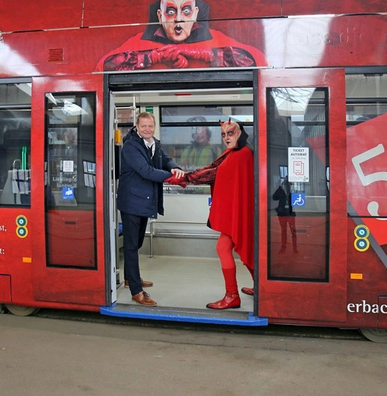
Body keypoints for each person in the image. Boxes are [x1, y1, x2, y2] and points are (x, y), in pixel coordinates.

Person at [166, 119, 254, 309]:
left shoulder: (242, 154)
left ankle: (232, 296)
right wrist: (186, 177)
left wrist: (186, 178)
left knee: (228, 248)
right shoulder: (234, 152)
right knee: (245, 248)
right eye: (223, 134)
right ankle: (259, 288)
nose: (226, 138)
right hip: (238, 211)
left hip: (239, 211)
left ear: (240, 133)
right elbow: (212, 167)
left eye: (230, 133)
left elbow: (213, 173)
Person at [96, 0, 267, 71]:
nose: (179, 19)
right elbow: (104, 67)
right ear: (159, 16)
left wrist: (203, 54)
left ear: (195, 13)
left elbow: (257, 61)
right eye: (171, 11)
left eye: (185, 11)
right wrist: (154, 57)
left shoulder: (216, 38)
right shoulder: (140, 42)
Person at [118, 112, 185, 306]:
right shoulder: (131, 146)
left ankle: (132, 278)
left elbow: (166, 159)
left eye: (150, 126)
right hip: (131, 202)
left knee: (137, 243)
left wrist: (175, 168)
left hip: (145, 202)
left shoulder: (154, 143)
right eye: (144, 126)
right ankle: (136, 291)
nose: (147, 129)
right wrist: (172, 178)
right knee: (131, 245)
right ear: (137, 126)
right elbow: (146, 171)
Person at [273, 178, 298, 254]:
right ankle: (283, 248)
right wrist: (279, 187)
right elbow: (274, 197)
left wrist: (293, 189)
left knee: (293, 231)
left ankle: (295, 248)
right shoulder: (281, 190)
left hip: (290, 213)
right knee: (283, 231)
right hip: (282, 213)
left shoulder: (293, 189)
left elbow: (297, 199)